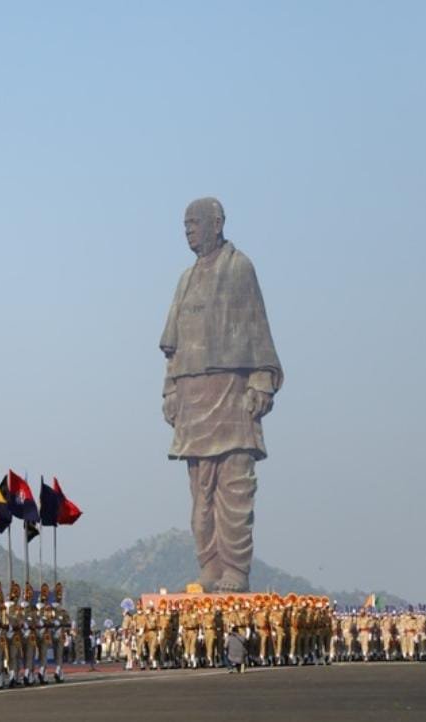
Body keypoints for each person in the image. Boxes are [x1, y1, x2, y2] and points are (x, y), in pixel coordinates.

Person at [161, 197, 283, 593]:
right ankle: (209, 566)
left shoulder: (239, 268)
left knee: (234, 489)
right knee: (201, 498)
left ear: (217, 223)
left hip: (231, 392)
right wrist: (170, 392)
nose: (189, 229)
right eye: (184, 224)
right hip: (192, 396)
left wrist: (261, 381)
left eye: (194, 222)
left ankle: (235, 570)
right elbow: (172, 349)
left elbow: (258, 330)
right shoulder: (185, 279)